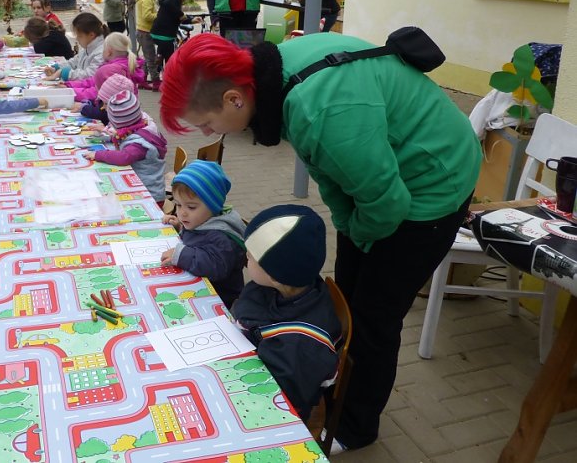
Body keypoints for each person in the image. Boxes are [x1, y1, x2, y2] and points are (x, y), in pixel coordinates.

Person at [158, 34, 481, 453]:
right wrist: (352, 232)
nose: (207, 132)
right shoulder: (277, 77)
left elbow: (387, 203)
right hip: (387, 180)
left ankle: (356, 426)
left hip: (434, 183)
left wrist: (361, 239)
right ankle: (331, 385)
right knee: (348, 296)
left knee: (374, 319)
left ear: (235, 99)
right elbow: (330, 174)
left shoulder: (320, 108)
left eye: (206, 123)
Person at [232, 204, 342, 422]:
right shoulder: (292, 284)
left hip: (269, 408)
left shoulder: (299, 346)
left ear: (275, 275)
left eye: (252, 256)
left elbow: (276, 403)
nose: (246, 257)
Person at [159, 160, 246, 308]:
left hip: (219, 299)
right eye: (178, 205)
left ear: (213, 206)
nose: (182, 212)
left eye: (191, 207)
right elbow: (196, 238)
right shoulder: (201, 220)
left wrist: (181, 255)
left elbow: (214, 265)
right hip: (199, 286)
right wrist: (179, 227)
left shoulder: (221, 236)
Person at [83, 90, 167, 204]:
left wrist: (98, 155)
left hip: (149, 195)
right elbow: (121, 135)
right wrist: (108, 136)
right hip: (141, 188)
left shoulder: (139, 143)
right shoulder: (140, 127)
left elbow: (124, 157)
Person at [65, 32, 144, 101]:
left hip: (110, 113)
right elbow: (93, 81)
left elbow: (97, 93)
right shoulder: (126, 65)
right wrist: (70, 85)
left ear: (109, 52)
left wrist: (71, 92)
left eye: (103, 49)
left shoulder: (110, 70)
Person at [149, 0, 202, 79]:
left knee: (162, 52)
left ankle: (158, 61)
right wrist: (184, 16)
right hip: (166, 35)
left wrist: (190, 19)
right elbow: (177, 13)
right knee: (171, 58)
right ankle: (170, 78)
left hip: (157, 32)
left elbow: (176, 16)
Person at [44, 13, 106, 81]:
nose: (77, 38)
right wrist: (57, 68)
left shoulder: (101, 52)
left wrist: (66, 74)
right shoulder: (88, 48)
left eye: (79, 36)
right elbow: (74, 62)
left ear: (91, 35)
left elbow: (90, 75)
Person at [135, 0, 168, 90]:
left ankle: (142, 80)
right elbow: (147, 16)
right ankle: (156, 82)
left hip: (142, 30)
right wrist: (160, 15)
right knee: (151, 59)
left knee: (148, 57)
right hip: (146, 31)